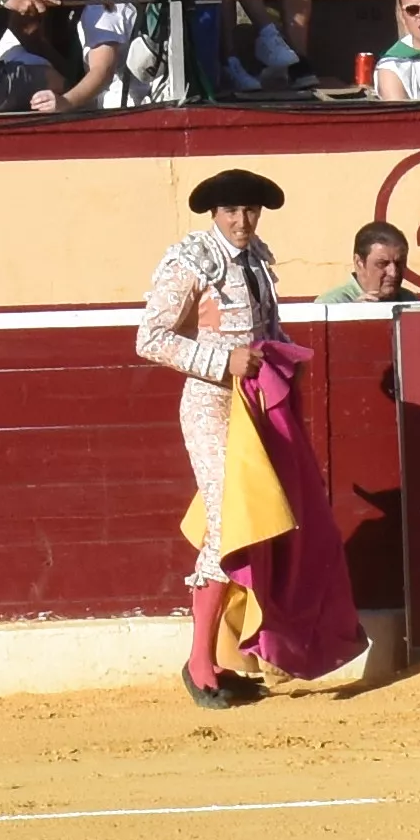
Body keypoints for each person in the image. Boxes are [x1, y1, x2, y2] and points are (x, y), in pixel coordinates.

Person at [137, 165, 288, 706]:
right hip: (210, 405)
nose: (242, 220)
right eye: (232, 211)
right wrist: (227, 361)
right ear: (213, 214)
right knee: (229, 526)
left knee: (257, 523)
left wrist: (282, 355)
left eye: (250, 210)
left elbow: (267, 330)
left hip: (256, 405)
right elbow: (150, 338)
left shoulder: (257, 261)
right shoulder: (190, 260)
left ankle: (227, 656)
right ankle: (200, 663)